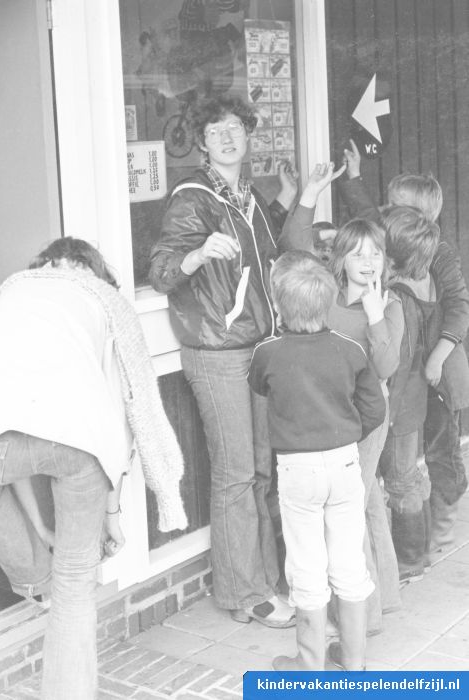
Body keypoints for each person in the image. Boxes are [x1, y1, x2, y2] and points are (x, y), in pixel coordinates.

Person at [0, 238, 187, 700]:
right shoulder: (102, 300)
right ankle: (52, 590)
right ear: (90, 270)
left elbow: (8, 432)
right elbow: (120, 416)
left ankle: (38, 580)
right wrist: (112, 515)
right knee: (74, 589)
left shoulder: (9, 293)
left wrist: (38, 529)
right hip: (82, 445)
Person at [149, 94, 299, 627]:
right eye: (215, 131)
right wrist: (196, 254)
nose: (227, 137)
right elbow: (161, 272)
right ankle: (244, 594)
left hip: (256, 348)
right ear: (202, 143)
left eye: (235, 127)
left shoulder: (245, 195)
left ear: (248, 134)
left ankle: (262, 580)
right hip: (217, 353)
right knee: (237, 474)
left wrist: (287, 199)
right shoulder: (193, 198)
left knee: (258, 471)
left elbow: (255, 255)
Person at [249, 251, 385, 671]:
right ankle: (354, 661)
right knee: (349, 561)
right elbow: (375, 410)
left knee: (306, 563)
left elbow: (259, 386)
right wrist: (345, 434)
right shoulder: (349, 349)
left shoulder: (268, 352)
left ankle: (310, 665)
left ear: (278, 307)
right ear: (327, 303)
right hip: (344, 464)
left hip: (298, 470)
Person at [281, 168, 402, 631]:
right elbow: (293, 248)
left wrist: (375, 317)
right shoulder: (327, 293)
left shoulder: (388, 304)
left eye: (376, 252)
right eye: (357, 252)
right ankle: (382, 600)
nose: (368, 261)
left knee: (351, 510)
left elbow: (386, 367)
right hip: (328, 412)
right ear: (340, 257)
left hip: (367, 418)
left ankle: (362, 621)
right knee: (366, 502)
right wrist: (310, 194)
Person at [341, 141, 469, 555]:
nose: (385, 210)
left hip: (437, 369)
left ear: (420, 216)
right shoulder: (393, 244)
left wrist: (438, 358)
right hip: (409, 371)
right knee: (408, 457)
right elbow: (369, 215)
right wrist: (353, 177)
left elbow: (459, 308)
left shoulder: (438, 253)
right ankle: (419, 534)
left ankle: (443, 526)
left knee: (441, 447)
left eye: (395, 206)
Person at [378, 206, 440, 583]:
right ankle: (422, 553)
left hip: (398, 407)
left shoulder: (396, 298)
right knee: (412, 476)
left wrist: (387, 414)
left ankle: (409, 560)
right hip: (413, 403)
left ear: (390, 255)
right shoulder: (419, 286)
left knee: (400, 481)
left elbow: (397, 365)